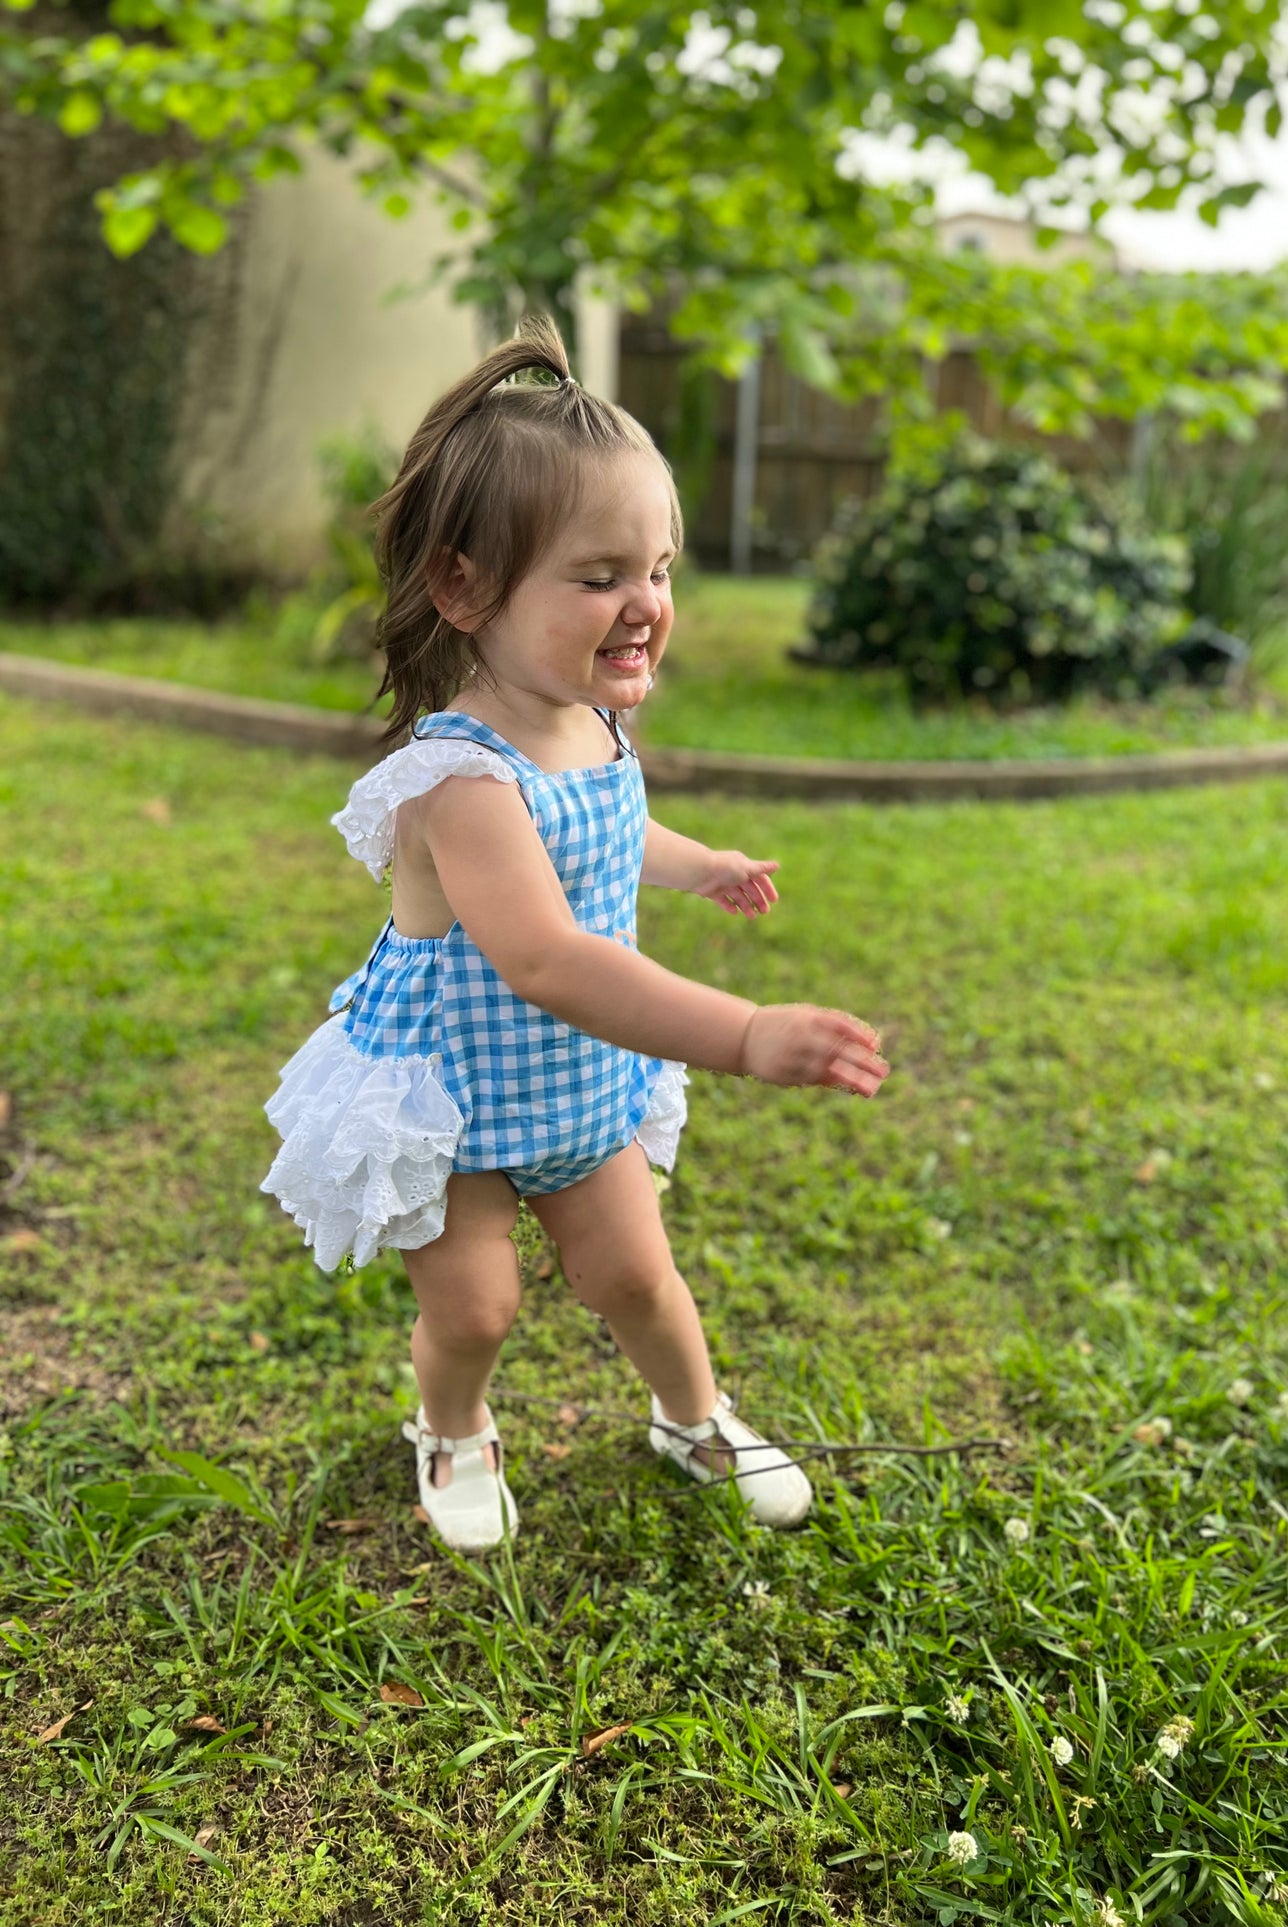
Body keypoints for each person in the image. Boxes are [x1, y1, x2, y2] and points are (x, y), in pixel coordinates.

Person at [260, 314, 890, 1551]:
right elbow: (546, 957)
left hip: (572, 1085)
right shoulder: (459, 778)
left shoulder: (590, 726)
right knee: (478, 1306)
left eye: (657, 570)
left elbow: (606, 832)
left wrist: (696, 864)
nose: (644, 604)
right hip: (452, 1098)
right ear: (462, 587)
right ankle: (451, 1427)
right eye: (598, 577)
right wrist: (745, 1031)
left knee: (636, 1280)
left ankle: (691, 1415)